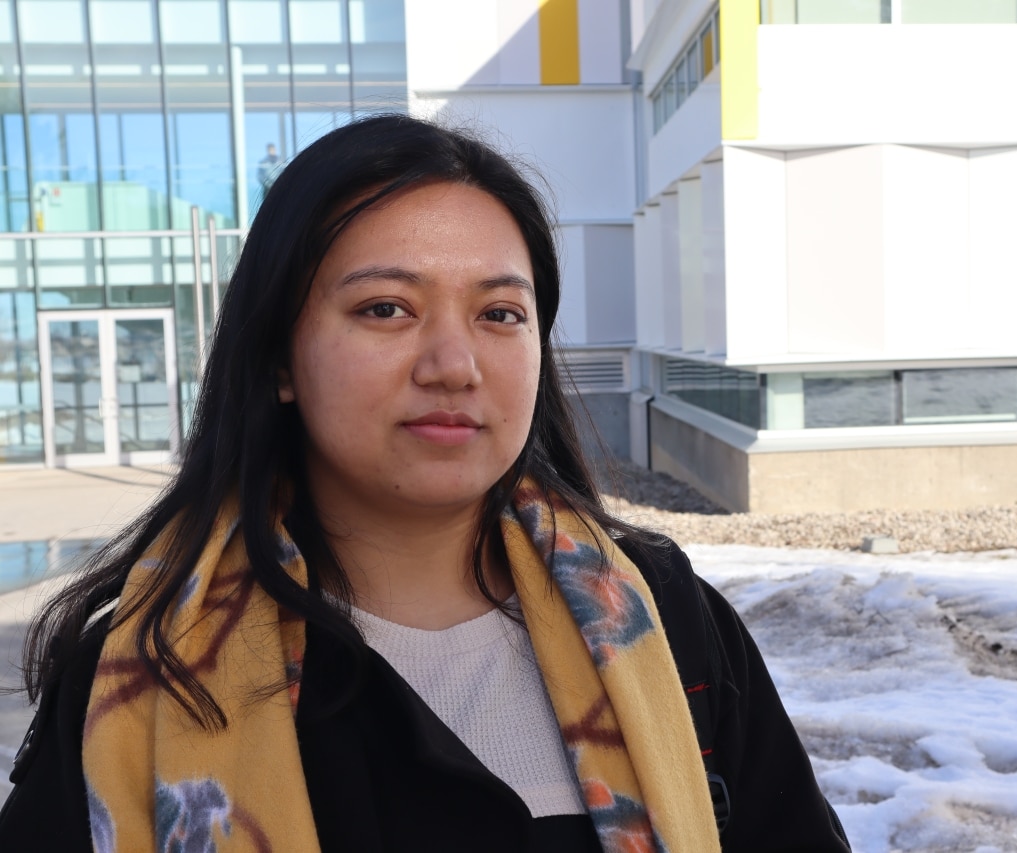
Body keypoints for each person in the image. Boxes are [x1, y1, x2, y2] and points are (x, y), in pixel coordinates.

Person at [0, 115, 849, 852]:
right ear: (280, 358)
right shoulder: (148, 673)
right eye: (386, 309)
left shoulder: (665, 621)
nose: (455, 364)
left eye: (500, 314)